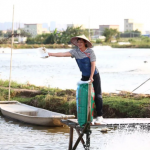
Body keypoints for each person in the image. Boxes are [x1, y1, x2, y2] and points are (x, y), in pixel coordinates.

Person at [48, 35, 103, 125]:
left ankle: (100, 116)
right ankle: (87, 117)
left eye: (81, 42)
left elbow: (93, 64)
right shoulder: (75, 52)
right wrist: (50, 54)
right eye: (78, 42)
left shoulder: (90, 52)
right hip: (84, 76)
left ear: (85, 43)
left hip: (94, 75)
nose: (79, 44)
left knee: (97, 96)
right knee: (84, 96)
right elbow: (62, 54)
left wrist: (91, 77)